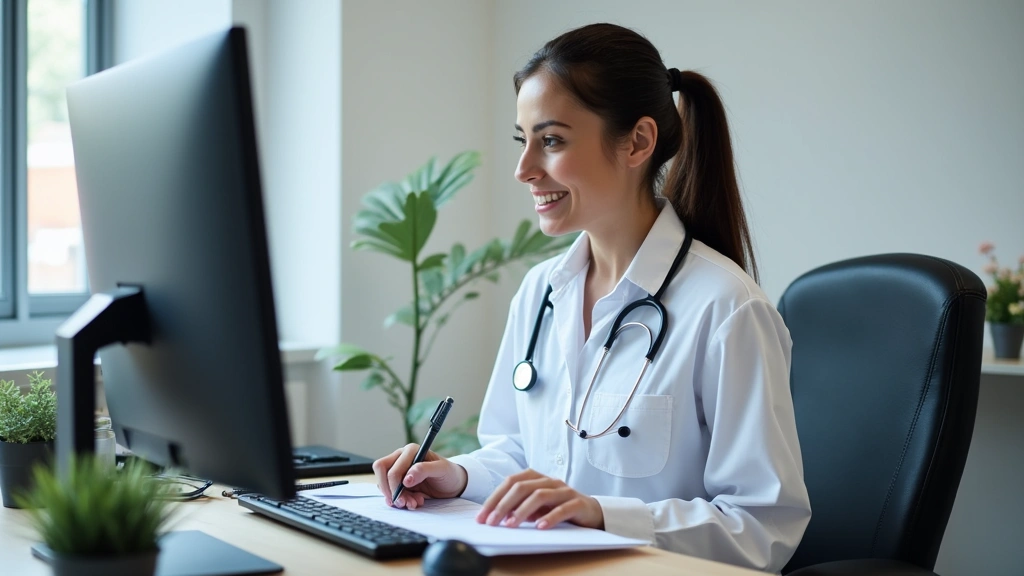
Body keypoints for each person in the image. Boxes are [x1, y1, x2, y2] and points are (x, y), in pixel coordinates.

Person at [373, 22, 811, 572]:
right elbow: (518, 449)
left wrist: (603, 515)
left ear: (638, 142)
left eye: (551, 141)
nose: (524, 169)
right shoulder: (540, 292)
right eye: (523, 140)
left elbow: (764, 527)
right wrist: (457, 475)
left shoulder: (726, 309)